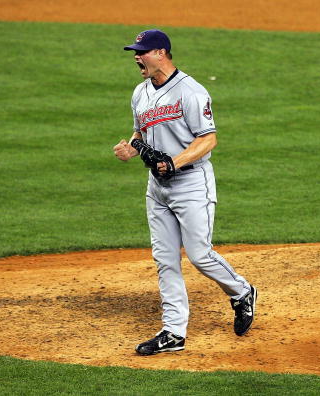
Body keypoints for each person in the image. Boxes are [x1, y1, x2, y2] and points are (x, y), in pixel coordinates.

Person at [113, 29, 258, 356]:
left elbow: (208, 139)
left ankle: (242, 292)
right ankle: (173, 332)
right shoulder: (140, 92)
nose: (137, 57)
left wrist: (174, 163)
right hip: (157, 187)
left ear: (161, 52)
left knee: (199, 254)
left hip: (191, 183)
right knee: (165, 259)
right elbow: (141, 132)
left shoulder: (191, 92)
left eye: (143, 52)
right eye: (135, 52)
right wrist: (131, 148)